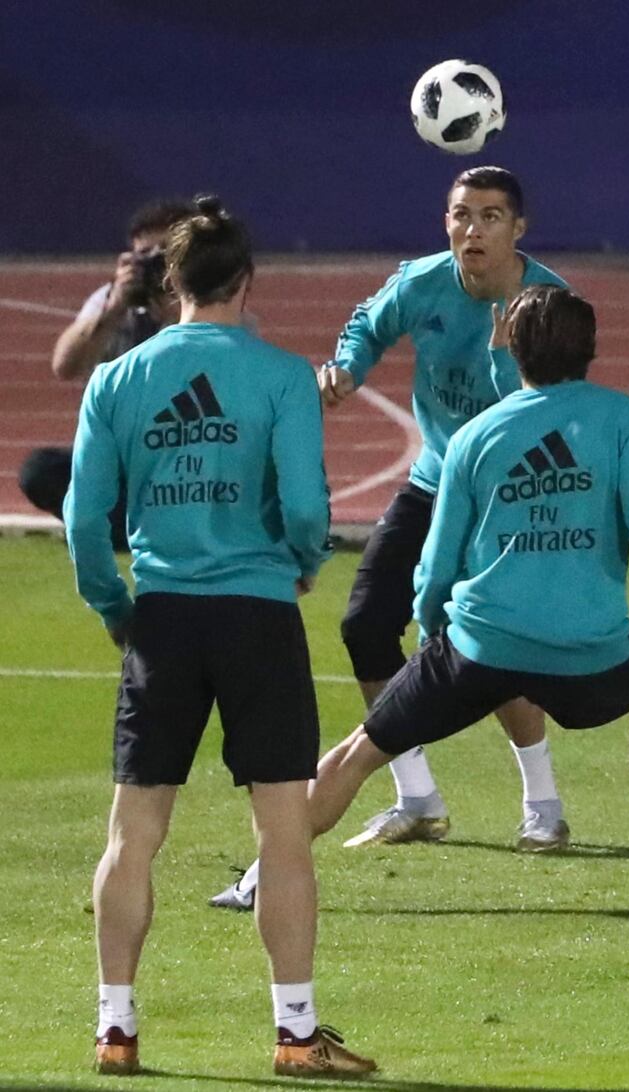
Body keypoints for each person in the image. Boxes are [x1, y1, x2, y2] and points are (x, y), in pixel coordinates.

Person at [277, 285, 629, 901]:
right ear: (591, 349)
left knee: (361, 750)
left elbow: (437, 564)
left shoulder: (471, 439)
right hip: (590, 649)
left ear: (512, 350)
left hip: (480, 644)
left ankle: (262, 876)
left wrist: (436, 632)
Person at [63, 194, 376, 1079]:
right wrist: (301, 559)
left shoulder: (118, 380)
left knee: (132, 835)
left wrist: (117, 609)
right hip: (257, 616)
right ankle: (296, 1033)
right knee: (282, 834)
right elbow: (308, 508)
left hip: (162, 618)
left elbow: (87, 523)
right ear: (246, 279)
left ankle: (116, 1029)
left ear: (171, 281)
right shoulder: (280, 376)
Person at [210, 166, 571, 911]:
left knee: (491, 648)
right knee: (366, 624)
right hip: (437, 480)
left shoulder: (548, 303)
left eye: (491, 217)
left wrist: (506, 357)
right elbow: (367, 324)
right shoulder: (420, 282)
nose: (474, 231)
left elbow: (545, 413)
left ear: (519, 230)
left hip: (505, 494)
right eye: (461, 215)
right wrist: (346, 368)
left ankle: (543, 803)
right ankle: (418, 798)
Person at [19, 198, 194, 550]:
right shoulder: (111, 301)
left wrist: (174, 318)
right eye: (145, 255)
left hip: (184, 462)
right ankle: (134, 532)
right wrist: (114, 309)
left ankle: (136, 529)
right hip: (117, 462)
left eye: (164, 254)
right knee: (39, 471)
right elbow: (64, 364)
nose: (155, 265)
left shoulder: (208, 305)